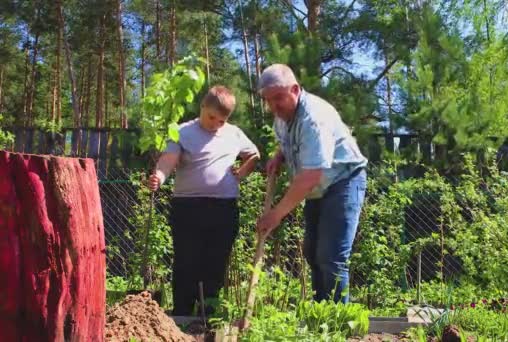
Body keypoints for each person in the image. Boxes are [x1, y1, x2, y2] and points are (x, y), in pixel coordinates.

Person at [255, 64, 368, 303]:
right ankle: (320, 317)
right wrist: (280, 156)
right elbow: (288, 142)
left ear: (295, 89)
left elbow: (310, 176)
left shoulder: (314, 118)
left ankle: (338, 325)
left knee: (332, 257)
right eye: (268, 101)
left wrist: (276, 215)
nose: (273, 106)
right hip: (319, 188)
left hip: (343, 182)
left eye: (278, 98)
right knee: (312, 253)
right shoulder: (283, 117)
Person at [148, 85, 260, 315]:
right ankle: (181, 316)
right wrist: (159, 177)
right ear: (202, 107)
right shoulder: (182, 131)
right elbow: (169, 159)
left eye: (221, 121)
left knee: (215, 264)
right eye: (211, 117)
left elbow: (254, 154)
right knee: (186, 262)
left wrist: (242, 172)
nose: (215, 124)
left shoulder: (234, 133)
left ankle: (208, 317)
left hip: (224, 209)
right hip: (188, 208)